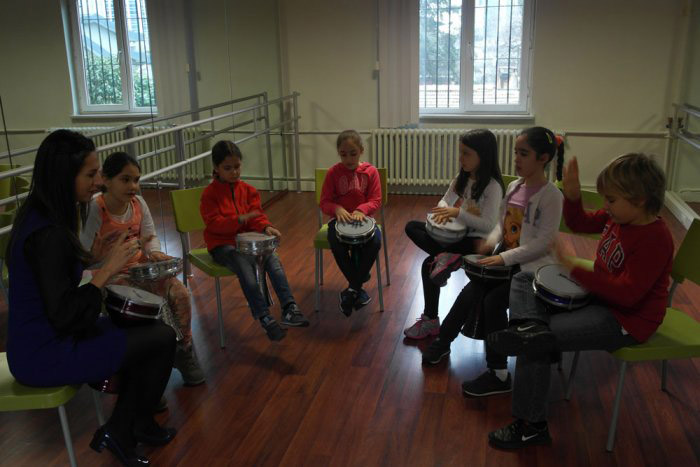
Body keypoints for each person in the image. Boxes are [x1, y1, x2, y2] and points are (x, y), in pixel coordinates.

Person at [6, 130, 176, 466]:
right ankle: (121, 429)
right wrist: (107, 270)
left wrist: (92, 257)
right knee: (160, 338)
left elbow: (54, 280)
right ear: (63, 175)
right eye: (90, 174)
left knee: (153, 331)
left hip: (51, 336)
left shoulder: (43, 213)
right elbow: (65, 314)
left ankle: (137, 423)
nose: (98, 182)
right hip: (44, 353)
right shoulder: (48, 233)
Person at [487, 153, 673, 449]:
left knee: (534, 343)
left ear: (639, 200)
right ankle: (530, 328)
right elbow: (578, 222)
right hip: (600, 297)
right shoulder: (620, 216)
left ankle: (531, 426)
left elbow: (627, 295)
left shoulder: (655, 238)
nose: (605, 207)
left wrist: (573, 267)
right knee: (524, 280)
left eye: (611, 200)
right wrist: (572, 197)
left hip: (625, 320)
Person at [422, 126, 565, 399]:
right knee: (470, 292)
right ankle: (443, 341)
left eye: (524, 153)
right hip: (507, 261)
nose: (516, 158)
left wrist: (502, 257)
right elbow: (501, 225)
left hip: (531, 270)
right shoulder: (514, 187)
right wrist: (491, 241)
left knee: (493, 301)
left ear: (544, 158)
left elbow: (543, 243)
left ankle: (499, 373)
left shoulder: (551, 196)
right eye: (516, 152)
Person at [80, 151, 205, 386]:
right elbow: (85, 255)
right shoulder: (96, 209)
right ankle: (143, 370)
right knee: (140, 308)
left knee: (180, 294)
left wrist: (154, 252)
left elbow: (150, 236)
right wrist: (100, 258)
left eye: (136, 180)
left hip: (138, 268)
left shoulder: (138, 203)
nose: (133, 186)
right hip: (109, 274)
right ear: (106, 180)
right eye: (125, 179)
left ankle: (183, 350)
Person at [200, 140, 308, 341]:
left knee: (273, 261)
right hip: (222, 245)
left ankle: (289, 307)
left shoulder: (248, 190)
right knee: (245, 269)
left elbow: (257, 216)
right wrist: (238, 220)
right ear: (216, 167)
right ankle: (265, 317)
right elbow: (213, 224)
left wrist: (266, 227)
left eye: (237, 166)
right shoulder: (209, 194)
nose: (234, 172)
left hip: (248, 244)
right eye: (228, 168)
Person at [403, 129, 504, 339]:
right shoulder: (462, 177)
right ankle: (446, 257)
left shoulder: (493, 187)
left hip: (476, 243)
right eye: (461, 152)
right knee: (412, 226)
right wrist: (442, 212)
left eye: (466, 153)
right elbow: (445, 199)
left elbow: (488, 225)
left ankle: (430, 319)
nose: (461, 158)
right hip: (457, 238)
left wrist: (458, 213)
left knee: (428, 265)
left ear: (483, 155)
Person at [319, 130, 383, 316]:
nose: (348, 159)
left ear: (361, 150)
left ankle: (352, 290)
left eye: (353, 153)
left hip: (365, 220)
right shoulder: (333, 173)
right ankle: (357, 288)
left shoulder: (371, 172)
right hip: (339, 221)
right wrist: (337, 209)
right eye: (343, 154)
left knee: (375, 242)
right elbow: (324, 202)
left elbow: (376, 200)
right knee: (336, 243)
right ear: (338, 153)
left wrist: (361, 210)